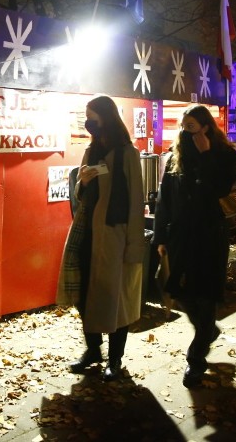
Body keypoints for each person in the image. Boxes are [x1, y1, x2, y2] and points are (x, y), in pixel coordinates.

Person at [56, 95, 146, 380]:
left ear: (106, 118)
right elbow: (81, 196)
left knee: (115, 296)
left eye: (92, 116)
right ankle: (93, 349)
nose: (88, 122)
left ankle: (115, 358)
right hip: (86, 231)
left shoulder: (127, 154)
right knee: (85, 293)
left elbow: (135, 201)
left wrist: (134, 245)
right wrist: (82, 182)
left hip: (114, 234)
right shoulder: (91, 151)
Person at [153, 105, 236, 388]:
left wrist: (205, 156)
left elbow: (220, 191)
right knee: (179, 293)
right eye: (183, 126)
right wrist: (161, 237)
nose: (185, 131)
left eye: (191, 126)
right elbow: (164, 200)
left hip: (210, 236)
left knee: (206, 296)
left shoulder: (225, 156)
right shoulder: (174, 159)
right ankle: (208, 331)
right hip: (180, 235)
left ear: (205, 127)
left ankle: (196, 360)